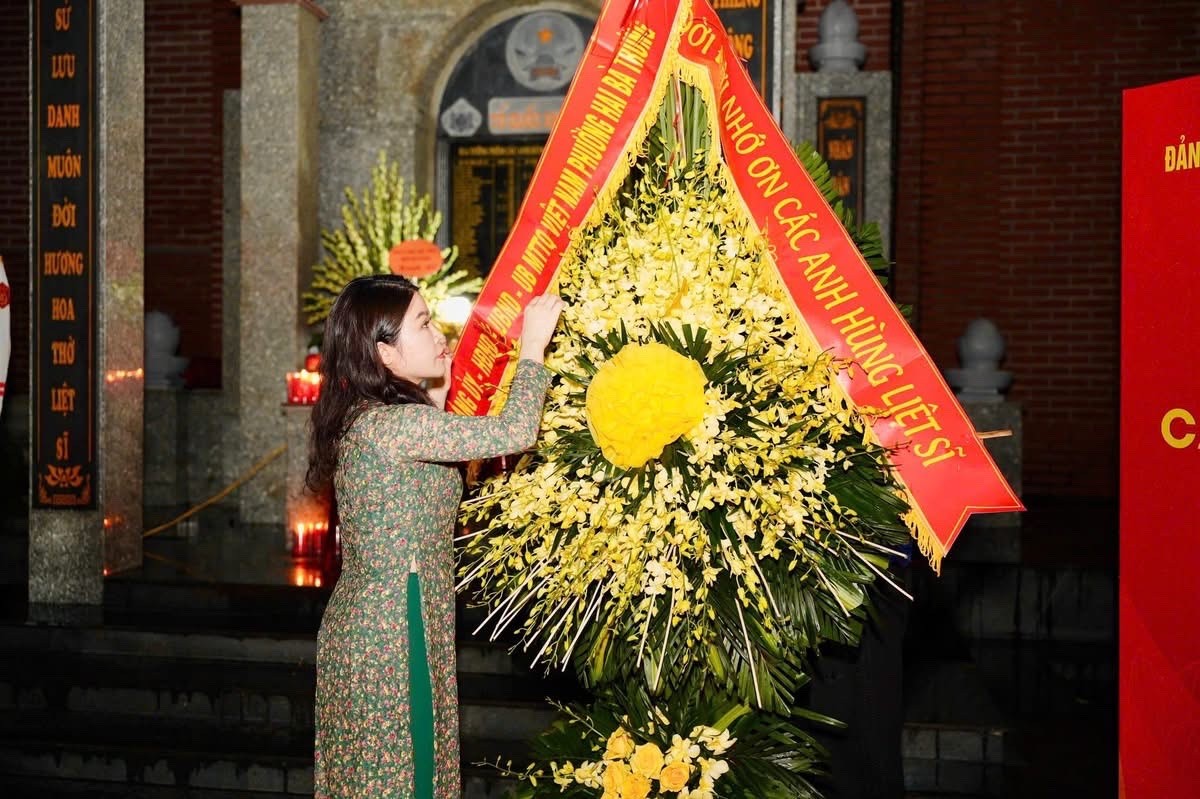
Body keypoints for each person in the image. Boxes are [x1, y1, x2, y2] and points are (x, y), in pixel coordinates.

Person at [305, 274, 564, 799]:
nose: (438, 332)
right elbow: (515, 431)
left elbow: (416, 494)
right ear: (385, 354)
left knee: (398, 776)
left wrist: (436, 403)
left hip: (388, 620)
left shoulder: (378, 420)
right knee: (404, 778)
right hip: (392, 630)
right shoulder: (394, 425)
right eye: (422, 323)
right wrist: (533, 347)